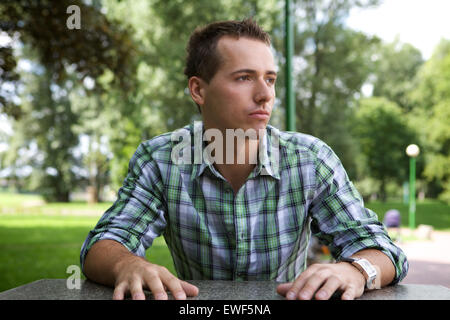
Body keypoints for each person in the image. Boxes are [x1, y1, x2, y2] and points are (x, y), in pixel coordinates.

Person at [80, 18, 408, 301]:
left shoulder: (310, 159)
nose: (265, 94)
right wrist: (128, 264)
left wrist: (356, 270)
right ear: (198, 90)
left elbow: (384, 251)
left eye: (270, 78)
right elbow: (102, 245)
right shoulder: (161, 160)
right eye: (244, 78)